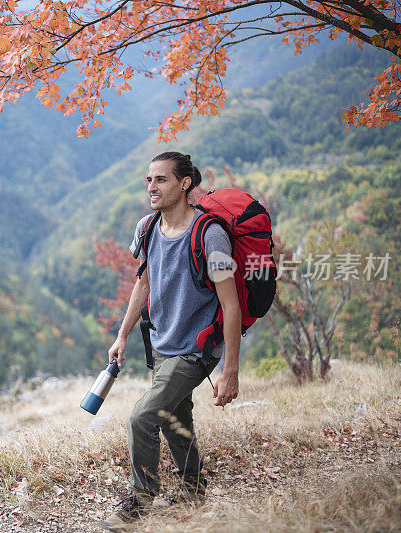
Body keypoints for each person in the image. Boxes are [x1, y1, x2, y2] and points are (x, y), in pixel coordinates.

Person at [102, 152, 241, 531]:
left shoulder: (210, 235)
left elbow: (231, 306)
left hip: (197, 350)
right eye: (148, 180)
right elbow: (143, 283)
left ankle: (139, 499)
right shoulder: (147, 228)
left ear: (184, 184)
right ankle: (193, 489)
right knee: (173, 416)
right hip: (162, 344)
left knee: (143, 417)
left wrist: (230, 371)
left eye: (160, 180)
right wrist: (122, 334)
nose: (151, 187)